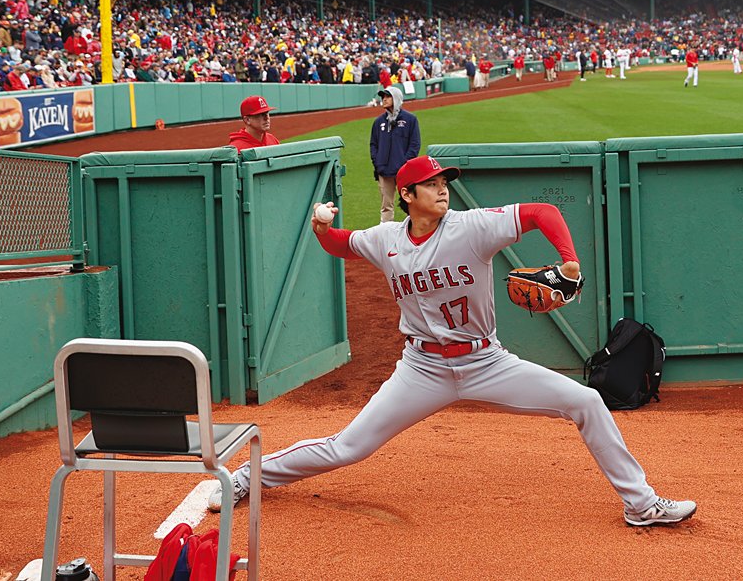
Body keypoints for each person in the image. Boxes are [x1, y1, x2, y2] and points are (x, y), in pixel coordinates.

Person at [209, 154, 696, 528]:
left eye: (445, 183)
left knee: (586, 401)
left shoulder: (472, 227)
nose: (443, 190)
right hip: (421, 370)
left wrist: (568, 260)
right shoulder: (386, 239)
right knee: (349, 447)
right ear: (407, 195)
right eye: (434, 184)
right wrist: (321, 227)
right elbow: (341, 245)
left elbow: (542, 211)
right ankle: (250, 475)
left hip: (489, 363)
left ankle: (641, 504)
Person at [370, 86, 421, 224]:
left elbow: (415, 144)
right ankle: (385, 233)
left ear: (396, 98)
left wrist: (405, 163)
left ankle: (414, 229)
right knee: (386, 206)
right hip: (384, 171)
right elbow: (373, 144)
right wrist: (377, 162)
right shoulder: (378, 122)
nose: (384, 99)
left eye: (387, 96)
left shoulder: (410, 119)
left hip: (403, 171)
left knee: (410, 202)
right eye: (383, 97)